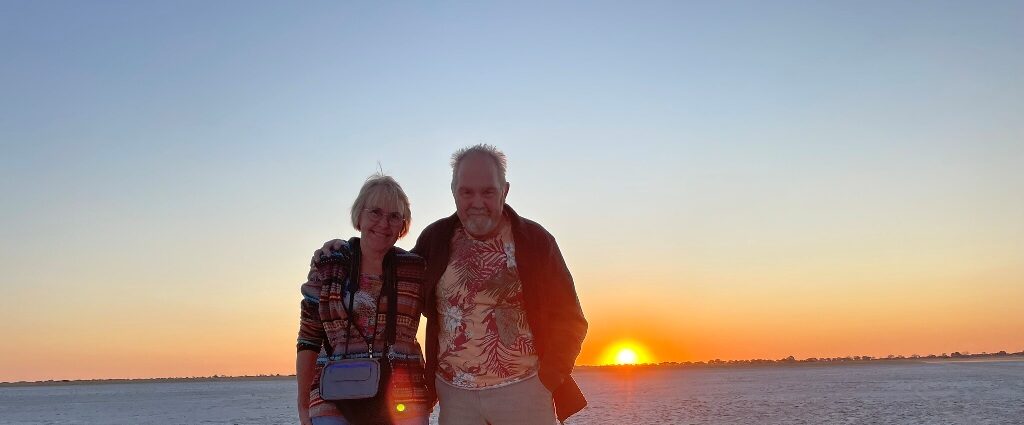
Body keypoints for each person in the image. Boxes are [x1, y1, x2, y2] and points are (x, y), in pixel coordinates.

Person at [316, 145, 588, 424]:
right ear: (453, 191)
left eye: (488, 192)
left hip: (524, 392)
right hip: (455, 397)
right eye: (467, 192)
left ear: (504, 191)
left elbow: (571, 319)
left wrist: (549, 378)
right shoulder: (435, 239)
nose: (477, 201)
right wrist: (347, 250)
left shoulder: (536, 241)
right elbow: (390, 270)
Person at [297, 173, 430, 425]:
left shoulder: (415, 269)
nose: (384, 223)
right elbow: (308, 338)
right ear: (359, 215)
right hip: (332, 396)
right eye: (375, 212)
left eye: (394, 216)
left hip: (402, 394)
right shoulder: (330, 264)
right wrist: (302, 401)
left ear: (403, 225)